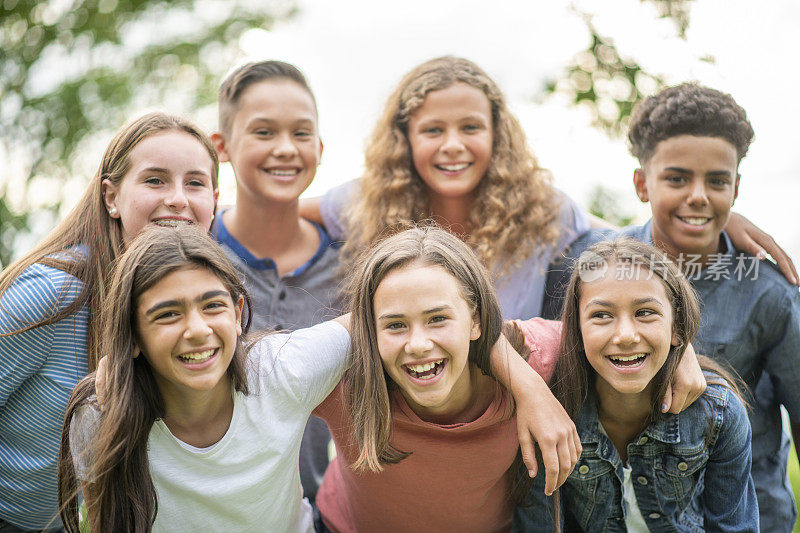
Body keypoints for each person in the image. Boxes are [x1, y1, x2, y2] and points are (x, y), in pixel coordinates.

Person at [62, 225, 580, 532]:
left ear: (239, 310)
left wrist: (530, 385)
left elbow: (611, 333)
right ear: (131, 334)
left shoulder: (281, 371)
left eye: (211, 306)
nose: (196, 331)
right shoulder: (102, 414)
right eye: (166, 315)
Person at [302, 56, 797, 324]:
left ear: (497, 134)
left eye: (470, 127)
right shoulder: (363, 201)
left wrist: (718, 216)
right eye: (433, 130)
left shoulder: (541, 210)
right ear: (405, 139)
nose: (453, 145)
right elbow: (274, 214)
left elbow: (629, 239)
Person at [542, 82, 800, 532]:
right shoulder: (587, 263)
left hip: (743, 510)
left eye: (717, 181)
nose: (697, 195)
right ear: (643, 183)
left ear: (736, 188)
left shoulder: (769, 293)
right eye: (677, 178)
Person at [0, 112, 218, 532]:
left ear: (214, 201)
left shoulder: (204, 311)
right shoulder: (51, 294)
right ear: (111, 197)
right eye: (155, 180)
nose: (178, 198)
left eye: (195, 183)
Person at [314, 226, 576, 532]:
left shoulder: (534, 355)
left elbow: (614, 334)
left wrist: (530, 385)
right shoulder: (344, 379)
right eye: (395, 325)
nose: (418, 344)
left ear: (475, 321)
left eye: (437, 319)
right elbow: (262, 369)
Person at [517, 238, 758, 531]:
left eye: (644, 312)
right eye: (601, 315)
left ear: (677, 327)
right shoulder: (550, 412)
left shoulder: (719, 415)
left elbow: (735, 526)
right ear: (577, 330)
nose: (626, 335)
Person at [210, 60, 343, 504]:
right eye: (264, 132)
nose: (286, 148)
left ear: (320, 147)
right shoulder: (191, 253)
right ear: (222, 145)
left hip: (316, 511)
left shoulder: (353, 266)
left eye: (301, 133)